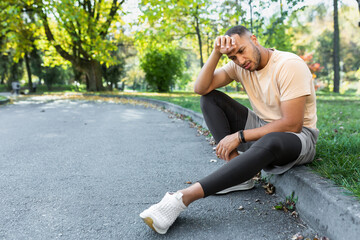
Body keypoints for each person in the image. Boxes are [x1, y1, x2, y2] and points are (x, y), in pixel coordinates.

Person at [139, 25, 319, 234]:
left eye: (241, 51)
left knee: (271, 140)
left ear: (254, 39)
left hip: (297, 138)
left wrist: (240, 136)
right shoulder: (240, 67)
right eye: (233, 58)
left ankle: (182, 198)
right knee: (209, 99)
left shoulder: (289, 64)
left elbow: (292, 123)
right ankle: (239, 175)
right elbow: (201, 88)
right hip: (262, 125)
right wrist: (216, 52)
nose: (241, 61)